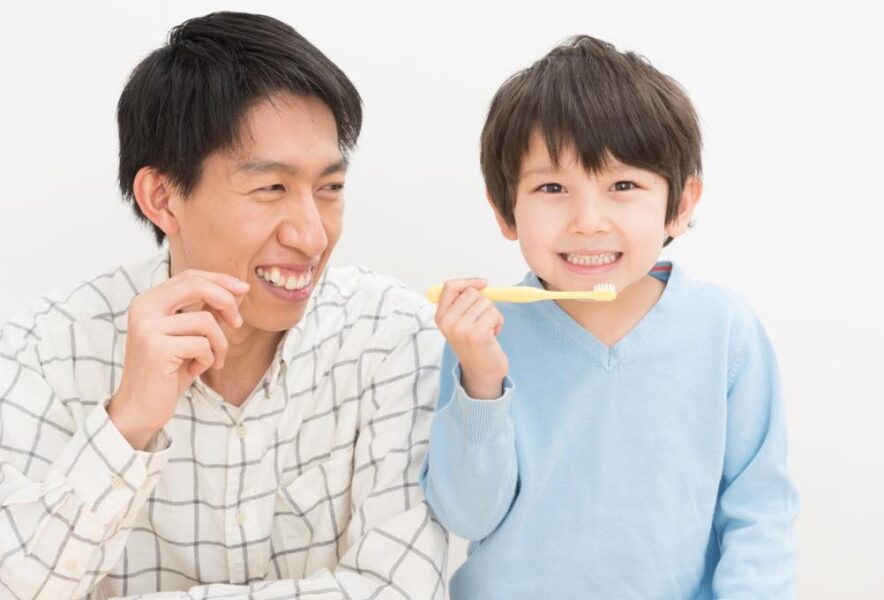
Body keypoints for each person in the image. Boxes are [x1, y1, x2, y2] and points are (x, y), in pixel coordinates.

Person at [0, 12, 446, 599]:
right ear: (163, 198)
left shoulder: (393, 336)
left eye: (330, 188)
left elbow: (404, 590)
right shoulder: (45, 351)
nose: (312, 236)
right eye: (271, 188)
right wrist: (126, 424)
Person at [421, 35, 798, 599]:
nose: (588, 220)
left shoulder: (724, 330)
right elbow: (466, 518)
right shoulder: (484, 334)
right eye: (552, 187)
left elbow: (760, 512)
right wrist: (481, 383)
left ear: (680, 205)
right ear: (504, 210)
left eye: (623, 185)